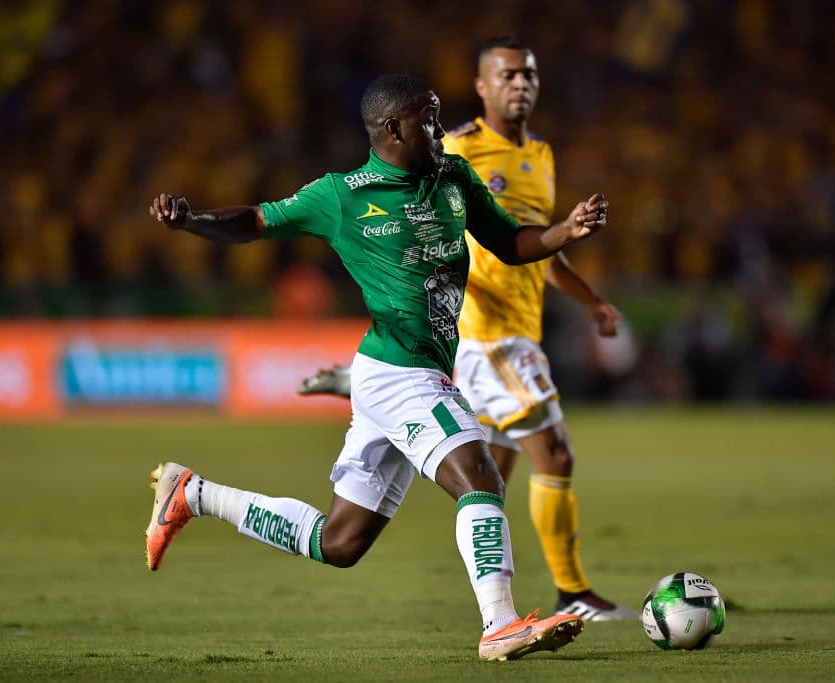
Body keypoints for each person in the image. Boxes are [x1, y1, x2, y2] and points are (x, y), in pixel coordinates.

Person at [144, 73, 610, 662]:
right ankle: (501, 624)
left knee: (339, 543)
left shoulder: (454, 178)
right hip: (400, 372)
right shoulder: (341, 195)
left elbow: (510, 243)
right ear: (394, 128)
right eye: (430, 119)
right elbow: (257, 222)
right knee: (480, 476)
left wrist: (567, 230)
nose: (441, 130)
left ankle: (193, 494)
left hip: (395, 371)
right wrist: (191, 220)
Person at [298, 36, 636, 621]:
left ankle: (361, 386)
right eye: (507, 76)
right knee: (549, 452)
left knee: (488, 474)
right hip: (485, 334)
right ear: (482, 87)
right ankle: (567, 593)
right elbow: (423, 238)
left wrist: (591, 299)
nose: (520, 84)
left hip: (509, 332)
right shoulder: (451, 149)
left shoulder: (542, 155)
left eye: (528, 74)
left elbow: (527, 241)